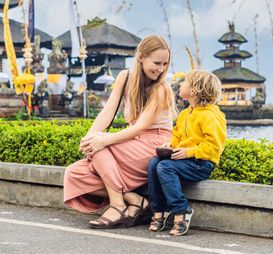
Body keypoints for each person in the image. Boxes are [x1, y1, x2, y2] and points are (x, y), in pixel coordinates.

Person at [63, 35, 176, 229]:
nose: (161, 69)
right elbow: (108, 112)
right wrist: (89, 137)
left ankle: (117, 206)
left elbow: (140, 127)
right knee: (73, 174)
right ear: (141, 57)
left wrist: (101, 141)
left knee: (100, 146)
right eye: (157, 63)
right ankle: (137, 201)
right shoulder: (125, 77)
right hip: (132, 141)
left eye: (165, 64)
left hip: (154, 144)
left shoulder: (162, 88)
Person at [147, 70, 227, 236]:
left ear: (194, 91)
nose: (180, 85)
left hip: (202, 163)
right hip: (185, 160)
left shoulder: (211, 116)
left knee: (165, 167)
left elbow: (214, 146)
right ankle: (160, 209)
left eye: (184, 82)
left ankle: (182, 210)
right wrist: (170, 144)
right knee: (154, 163)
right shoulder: (185, 113)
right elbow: (176, 134)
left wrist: (188, 152)